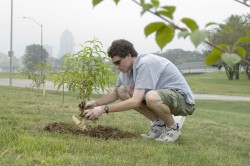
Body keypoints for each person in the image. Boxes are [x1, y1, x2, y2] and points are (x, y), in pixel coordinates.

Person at [81, 39, 195, 142]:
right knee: (122, 91)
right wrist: (94, 103)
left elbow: (135, 101)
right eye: (114, 63)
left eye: (118, 62)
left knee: (151, 97)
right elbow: (116, 94)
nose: (116, 66)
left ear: (129, 55)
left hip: (182, 100)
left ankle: (172, 128)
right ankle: (159, 125)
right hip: (163, 98)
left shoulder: (145, 63)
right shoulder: (125, 72)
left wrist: (102, 109)